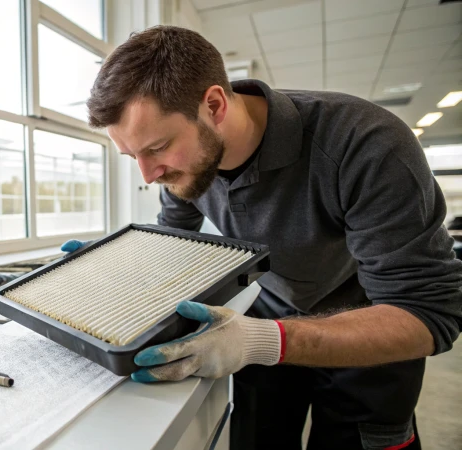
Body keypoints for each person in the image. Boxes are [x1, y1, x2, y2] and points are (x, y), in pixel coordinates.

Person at [62, 26, 462, 449]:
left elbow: (428, 312)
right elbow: (172, 238)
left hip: (370, 334)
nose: (148, 174)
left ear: (214, 104)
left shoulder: (365, 144)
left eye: (158, 147)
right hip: (263, 322)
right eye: (133, 156)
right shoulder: (182, 164)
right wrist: (111, 268)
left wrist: (265, 339)